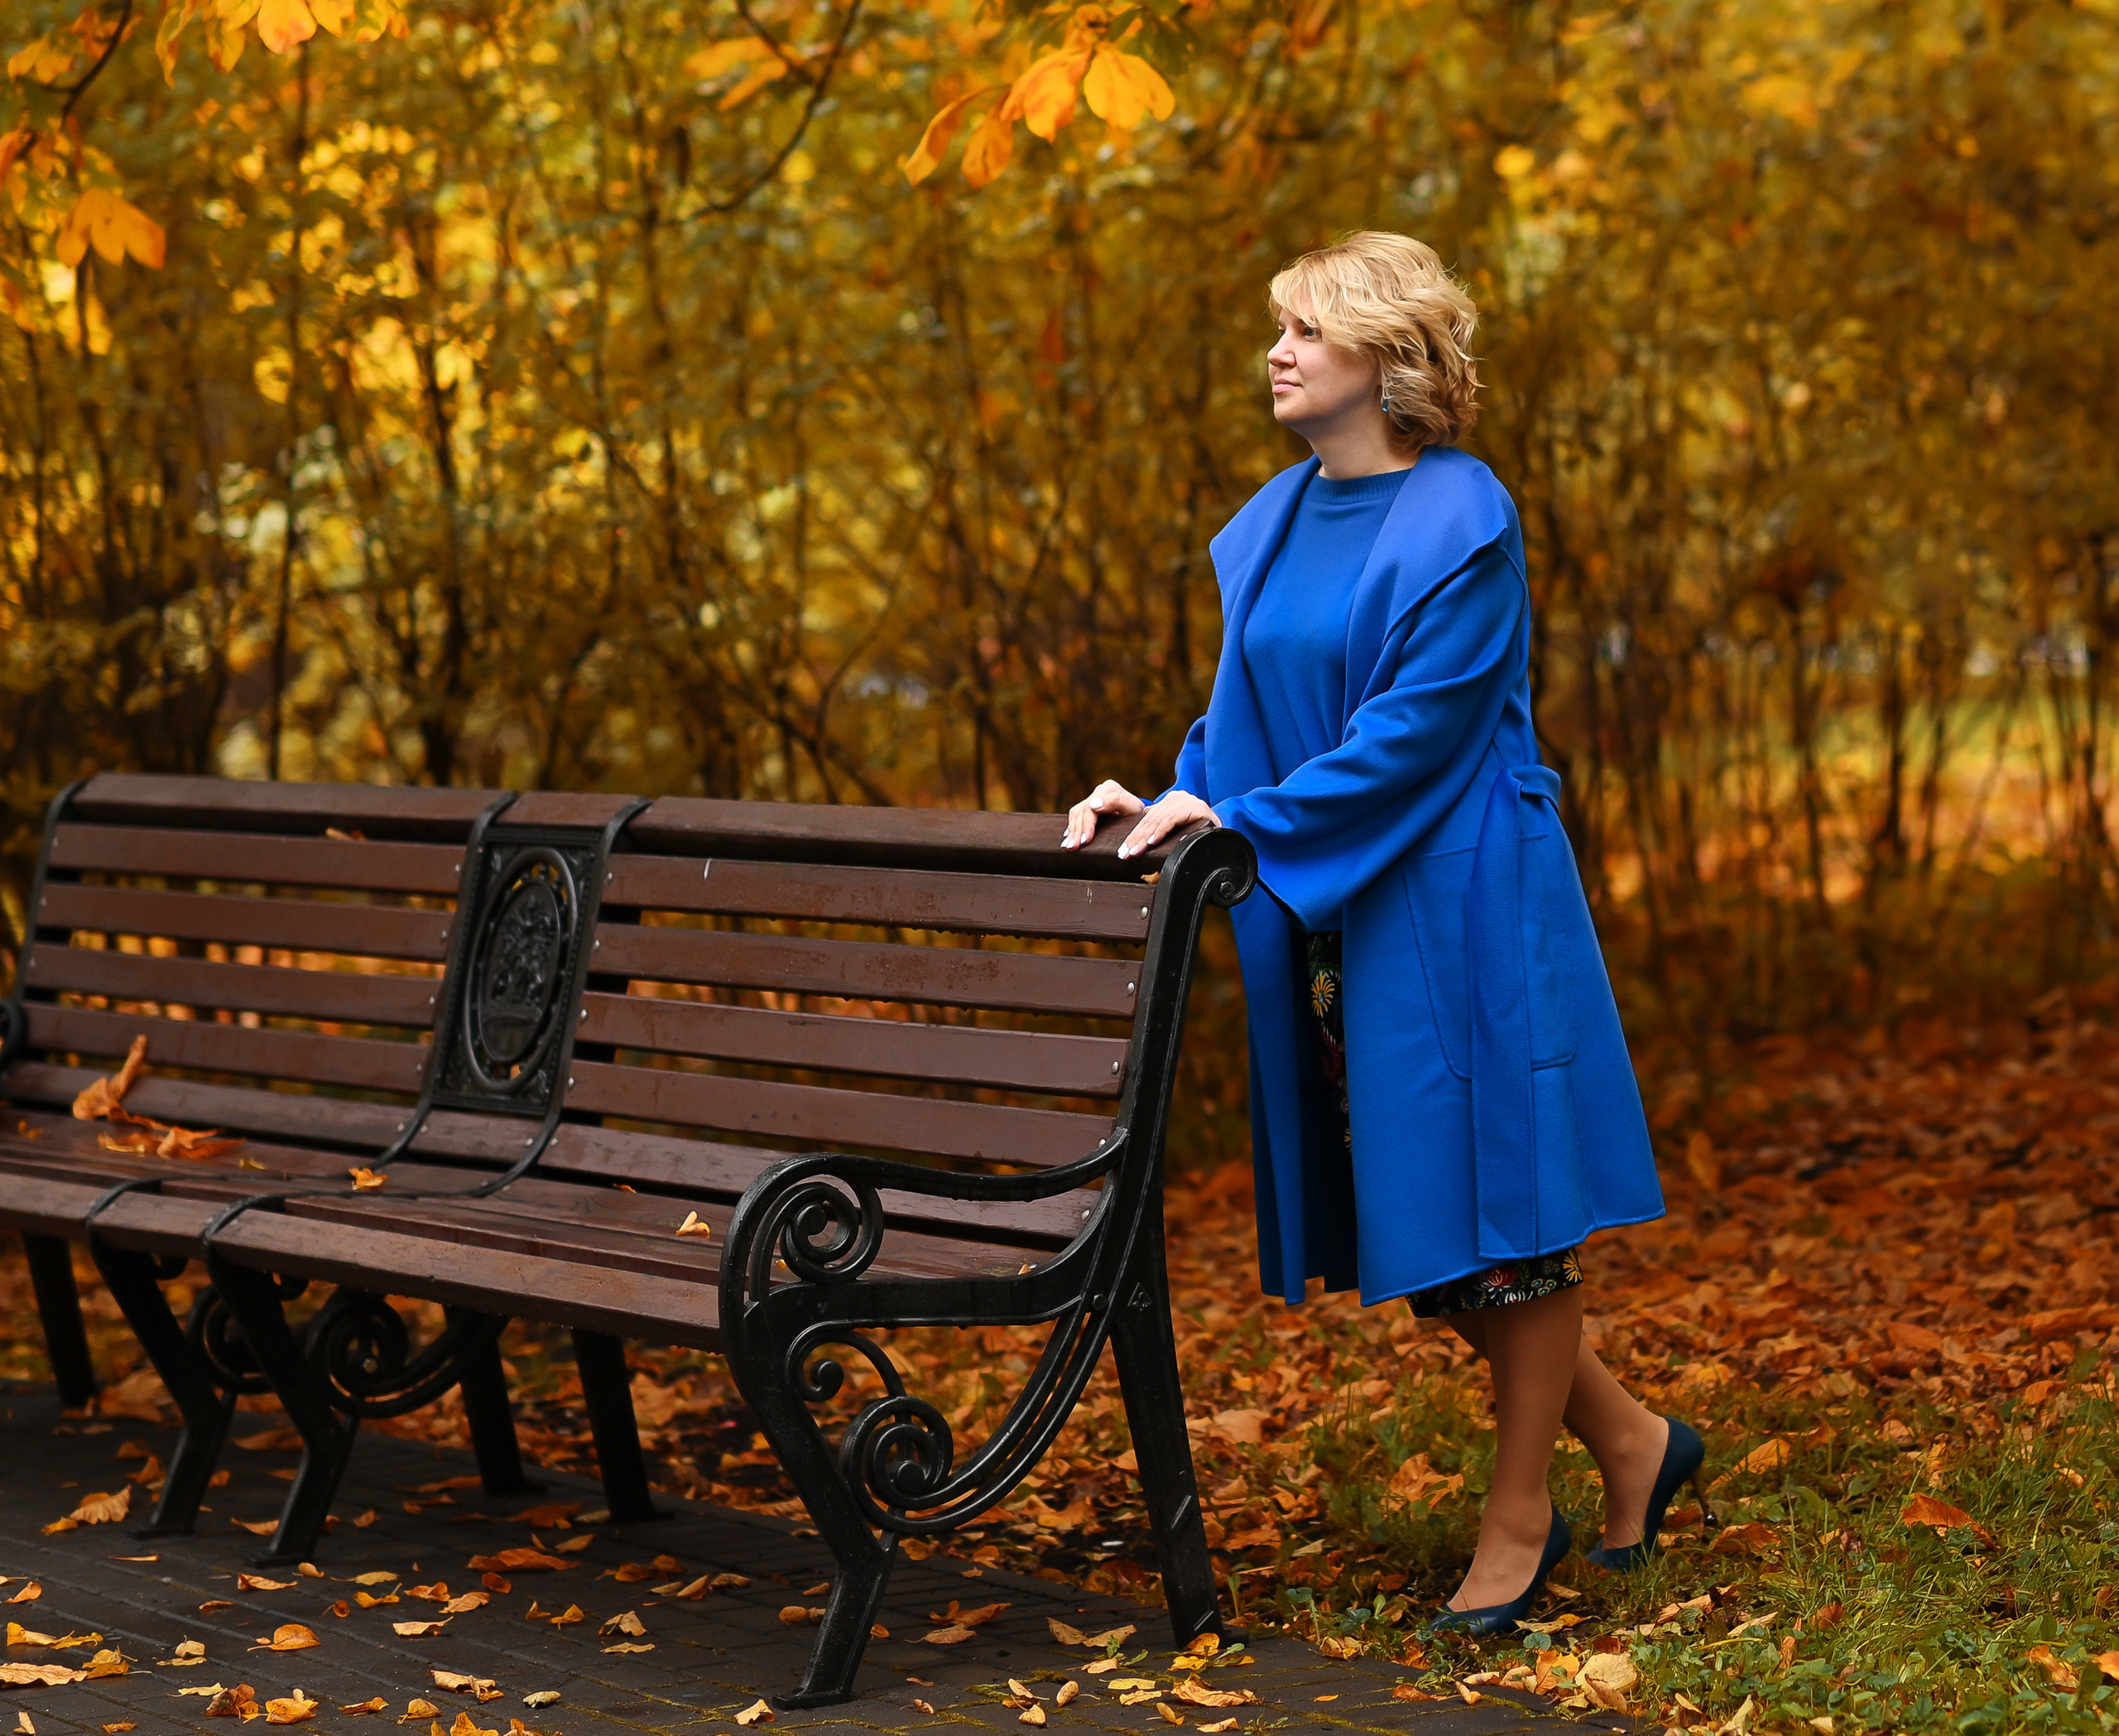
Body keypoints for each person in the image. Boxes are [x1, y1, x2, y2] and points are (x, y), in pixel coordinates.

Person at [1060, 232, 1709, 1633]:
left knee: (1501, 1217)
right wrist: (1176, 793)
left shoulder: (1462, 519)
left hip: (1468, 898)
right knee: (1424, 1221)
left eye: (1306, 329)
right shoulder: (1281, 518)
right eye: (1278, 330)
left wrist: (1242, 829)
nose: (1276, 353)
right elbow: (1246, 720)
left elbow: (1415, 737)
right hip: (1347, 905)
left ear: (1387, 355)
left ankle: (1519, 1511)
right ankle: (1641, 1444)